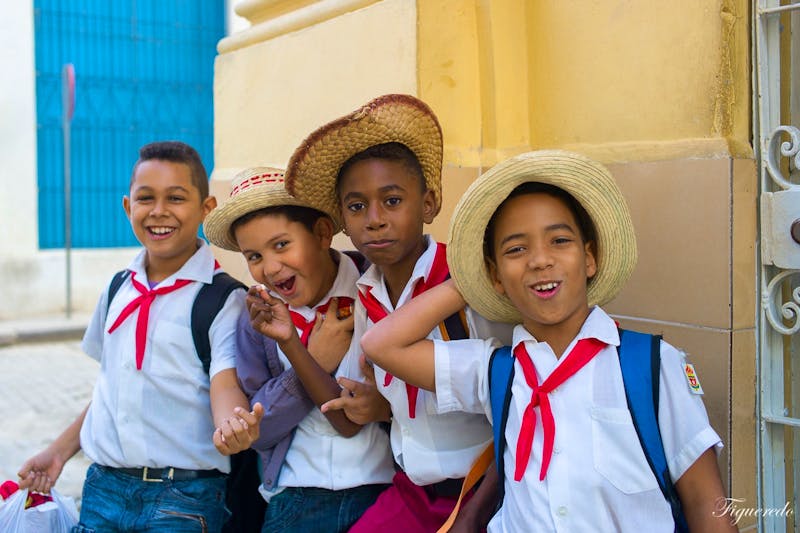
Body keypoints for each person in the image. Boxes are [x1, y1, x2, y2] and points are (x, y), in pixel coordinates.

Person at [358, 149, 739, 532]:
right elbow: (381, 345)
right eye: (516, 249)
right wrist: (468, 280)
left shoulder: (652, 366)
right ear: (495, 276)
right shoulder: (496, 371)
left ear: (589, 258)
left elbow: (706, 502)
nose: (540, 260)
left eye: (559, 241)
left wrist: (502, 267)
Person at [284, 94, 513, 531]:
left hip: (482, 495)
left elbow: (520, 409)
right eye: (356, 207)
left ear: (428, 203)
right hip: (411, 492)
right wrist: (382, 410)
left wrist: (477, 513)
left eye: (392, 201)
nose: (374, 219)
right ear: (343, 222)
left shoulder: (467, 286)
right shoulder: (367, 293)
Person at [17, 141, 262, 532]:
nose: (159, 211)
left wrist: (231, 423)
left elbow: (225, 382)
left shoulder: (222, 298)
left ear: (206, 208)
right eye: (146, 198)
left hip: (183, 500)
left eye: (176, 198)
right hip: (103, 490)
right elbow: (111, 389)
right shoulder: (118, 288)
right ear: (129, 207)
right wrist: (58, 453)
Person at [203, 167, 395, 533]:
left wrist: (385, 408)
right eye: (254, 256)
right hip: (296, 500)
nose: (271, 268)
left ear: (323, 233)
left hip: (383, 491)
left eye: (281, 245)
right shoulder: (256, 321)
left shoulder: (380, 283)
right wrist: (310, 362)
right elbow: (262, 429)